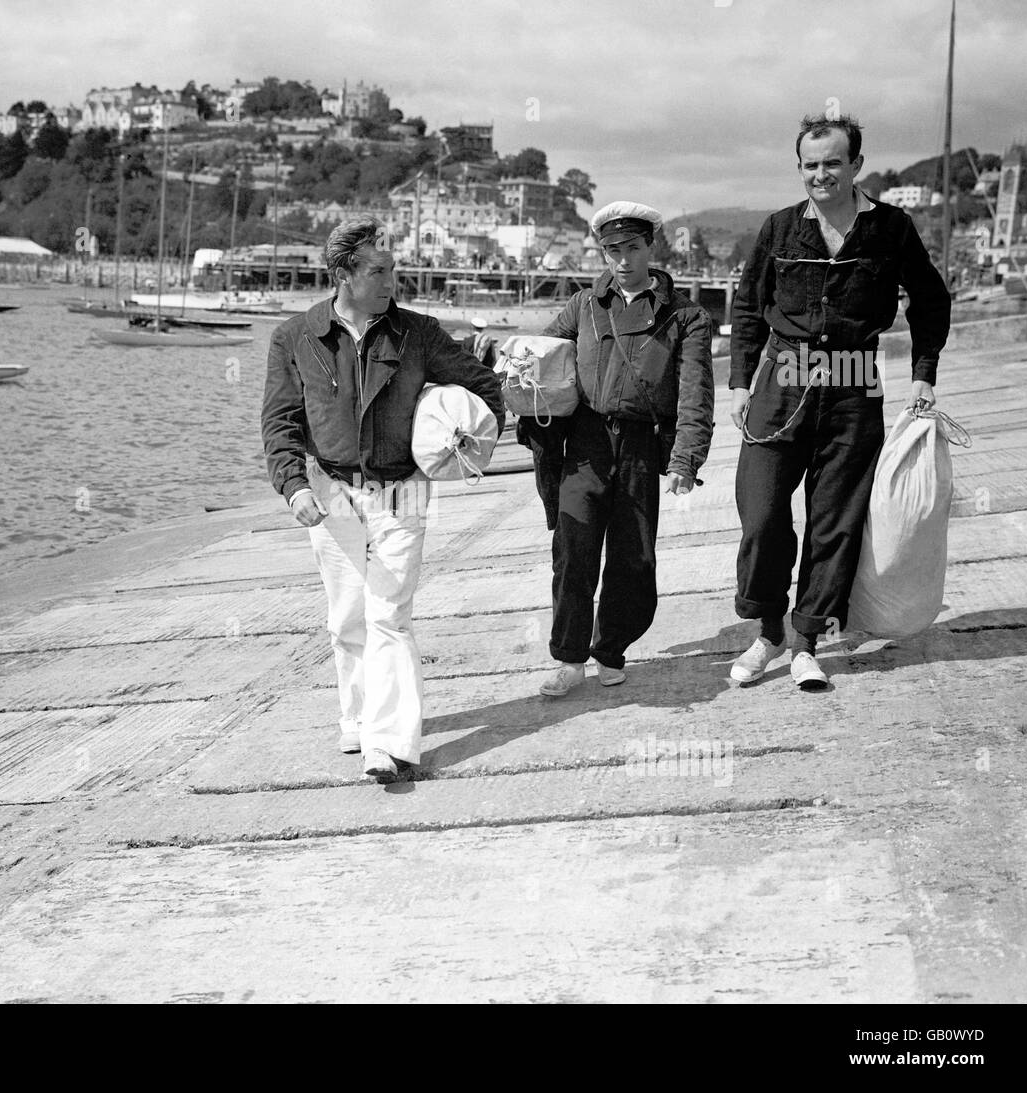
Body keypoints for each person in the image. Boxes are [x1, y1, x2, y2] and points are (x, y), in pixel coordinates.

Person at [262, 216, 505, 783]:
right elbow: (280, 423)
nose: (392, 279)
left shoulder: (418, 334)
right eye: (378, 269)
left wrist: (460, 431)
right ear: (344, 274)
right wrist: (293, 484)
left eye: (392, 269)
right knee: (347, 619)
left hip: (405, 492)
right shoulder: (295, 338)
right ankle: (358, 718)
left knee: (388, 616)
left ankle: (389, 746)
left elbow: (483, 386)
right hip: (331, 491)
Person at [728, 113, 950, 690]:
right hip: (782, 383)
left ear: (856, 165)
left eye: (832, 163)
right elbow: (749, 307)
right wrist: (738, 381)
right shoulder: (778, 229)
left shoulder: (891, 229)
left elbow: (930, 299)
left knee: (835, 522)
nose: (820, 175)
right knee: (762, 515)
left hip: (854, 386)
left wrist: (924, 374)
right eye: (810, 165)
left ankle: (805, 642)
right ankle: (767, 632)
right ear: (798, 168)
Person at [533, 201, 715, 697]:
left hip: (641, 443)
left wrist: (685, 458)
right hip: (585, 441)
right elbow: (542, 361)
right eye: (612, 250)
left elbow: (695, 392)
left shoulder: (685, 317)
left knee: (634, 557)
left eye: (631, 248)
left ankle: (610, 648)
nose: (621, 260)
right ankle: (569, 657)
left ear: (650, 247)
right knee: (573, 547)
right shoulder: (583, 306)